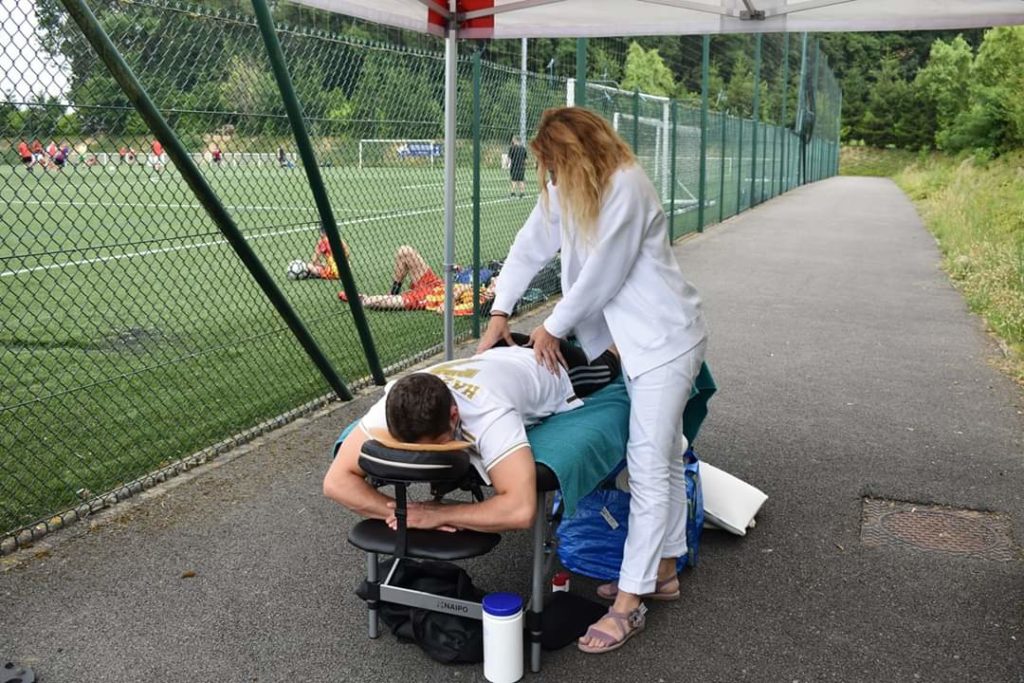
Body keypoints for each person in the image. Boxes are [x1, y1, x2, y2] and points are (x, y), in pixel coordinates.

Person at [477, 107, 707, 654]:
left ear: (577, 156)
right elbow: (530, 245)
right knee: (666, 456)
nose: (550, 180)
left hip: (667, 343)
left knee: (650, 465)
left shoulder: (628, 186)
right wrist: (499, 314)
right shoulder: (568, 189)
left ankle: (628, 605)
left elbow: (604, 272)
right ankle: (665, 571)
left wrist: (551, 330)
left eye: (555, 165)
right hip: (640, 346)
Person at [324, 340, 621, 534]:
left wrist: (441, 514)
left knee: (605, 364)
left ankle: (611, 344)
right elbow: (336, 483)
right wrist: (406, 513)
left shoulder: (491, 414)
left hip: (549, 367)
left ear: (454, 416)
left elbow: (520, 510)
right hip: (494, 359)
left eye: (435, 447)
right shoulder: (394, 402)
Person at [338, 245, 492, 315]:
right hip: (435, 283)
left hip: (429, 298)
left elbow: (443, 310)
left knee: (388, 304)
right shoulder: (486, 289)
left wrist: (460, 290)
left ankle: (361, 299)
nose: (495, 282)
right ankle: (393, 291)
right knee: (405, 251)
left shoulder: (480, 303)